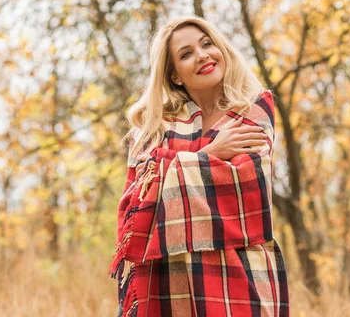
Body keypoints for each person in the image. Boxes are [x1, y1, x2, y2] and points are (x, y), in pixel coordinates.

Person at [109, 16, 289, 317]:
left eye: (207, 44)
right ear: (175, 75)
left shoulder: (254, 110)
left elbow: (243, 186)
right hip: (167, 280)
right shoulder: (153, 126)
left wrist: (172, 170)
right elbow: (136, 202)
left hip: (240, 277)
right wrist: (211, 153)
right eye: (186, 53)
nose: (202, 55)